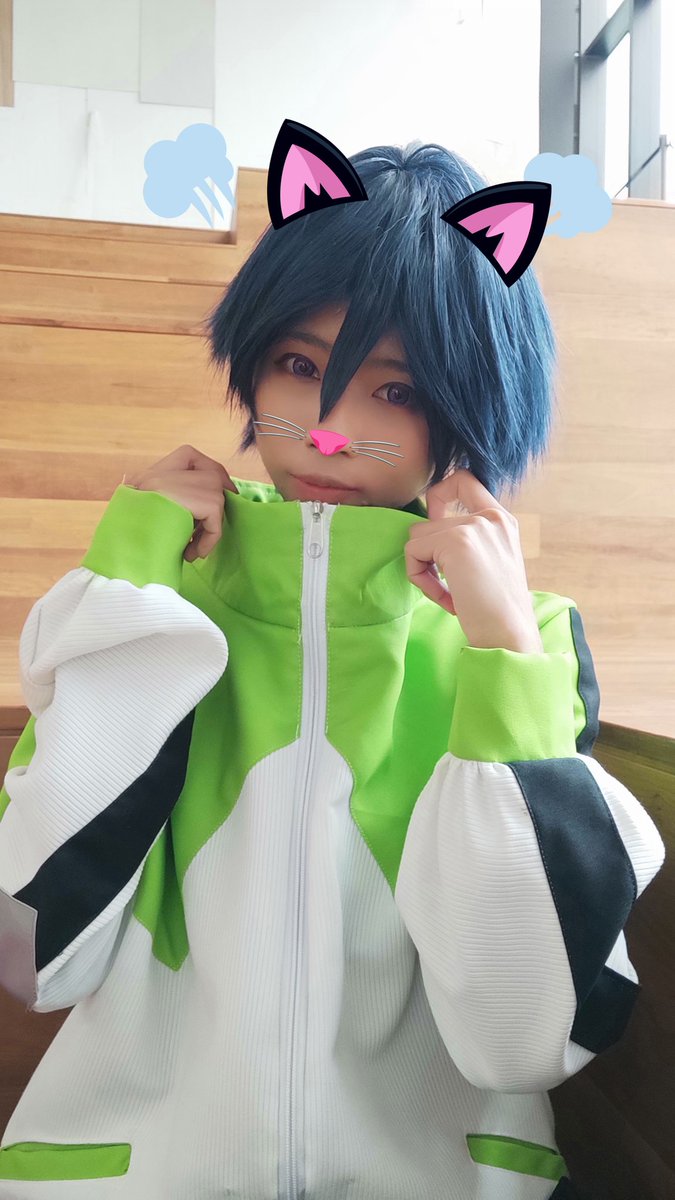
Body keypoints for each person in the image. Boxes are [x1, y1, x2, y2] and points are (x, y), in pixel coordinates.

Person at [0, 124, 665, 1200]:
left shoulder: (532, 644)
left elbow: (526, 1038)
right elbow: (33, 954)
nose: (330, 431)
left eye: (397, 392)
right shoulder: (146, 608)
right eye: (300, 368)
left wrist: (503, 656)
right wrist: (125, 594)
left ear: (469, 407)